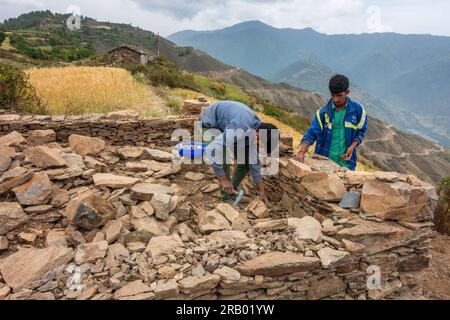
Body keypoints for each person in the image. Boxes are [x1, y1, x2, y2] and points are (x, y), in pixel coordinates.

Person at [199, 100, 278, 204]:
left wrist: (262, 191)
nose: (257, 146)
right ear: (258, 134)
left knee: (245, 163)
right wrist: (223, 180)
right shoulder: (241, 126)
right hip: (210, 123)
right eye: (259, 144)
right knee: (222, 159)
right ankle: (226, 196)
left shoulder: (257, 129)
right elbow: (211, 150)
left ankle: (230, 190)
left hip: (229, 125)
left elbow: (253, 163)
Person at [296, 74, 368, 170]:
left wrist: (352, 146)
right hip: (324, 164)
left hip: (347, 164)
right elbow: (312, 133)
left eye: (339, 95)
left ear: (347, 92)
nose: (336, 99)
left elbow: (361, 131)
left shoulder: (358, 111)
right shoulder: (322, 113)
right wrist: (301, 151)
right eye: (333, 95)